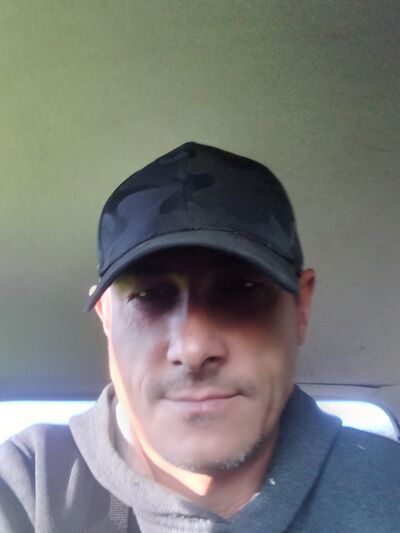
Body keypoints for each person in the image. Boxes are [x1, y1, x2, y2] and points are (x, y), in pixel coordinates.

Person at [0, 143, 399, 532]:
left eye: (242, 288)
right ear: (107, 318)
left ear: (301, 309)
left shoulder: (388, 488)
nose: (193, 349)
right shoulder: (26, 487)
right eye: (150, 295)